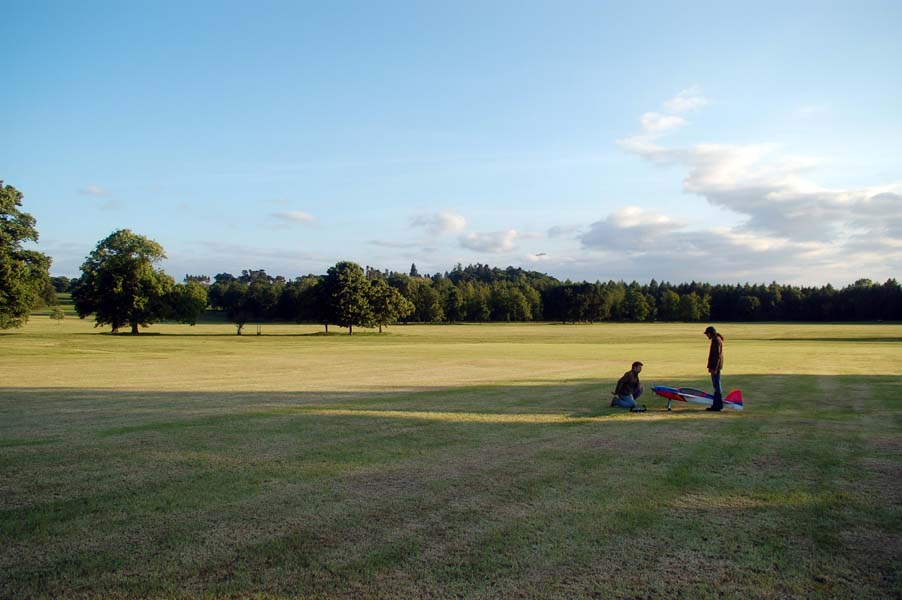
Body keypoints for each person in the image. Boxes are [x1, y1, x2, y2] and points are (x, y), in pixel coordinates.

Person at [704, 326, 724, 411]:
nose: (706, 335)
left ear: (710, 333)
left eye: (707, 334)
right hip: (715, 366)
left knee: (717, 386)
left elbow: (717, 356)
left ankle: (717, 406)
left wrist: (714, 368)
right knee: (716, 385)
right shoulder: (717, 339)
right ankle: (717, 405)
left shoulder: (716, 340)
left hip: (715, 367)